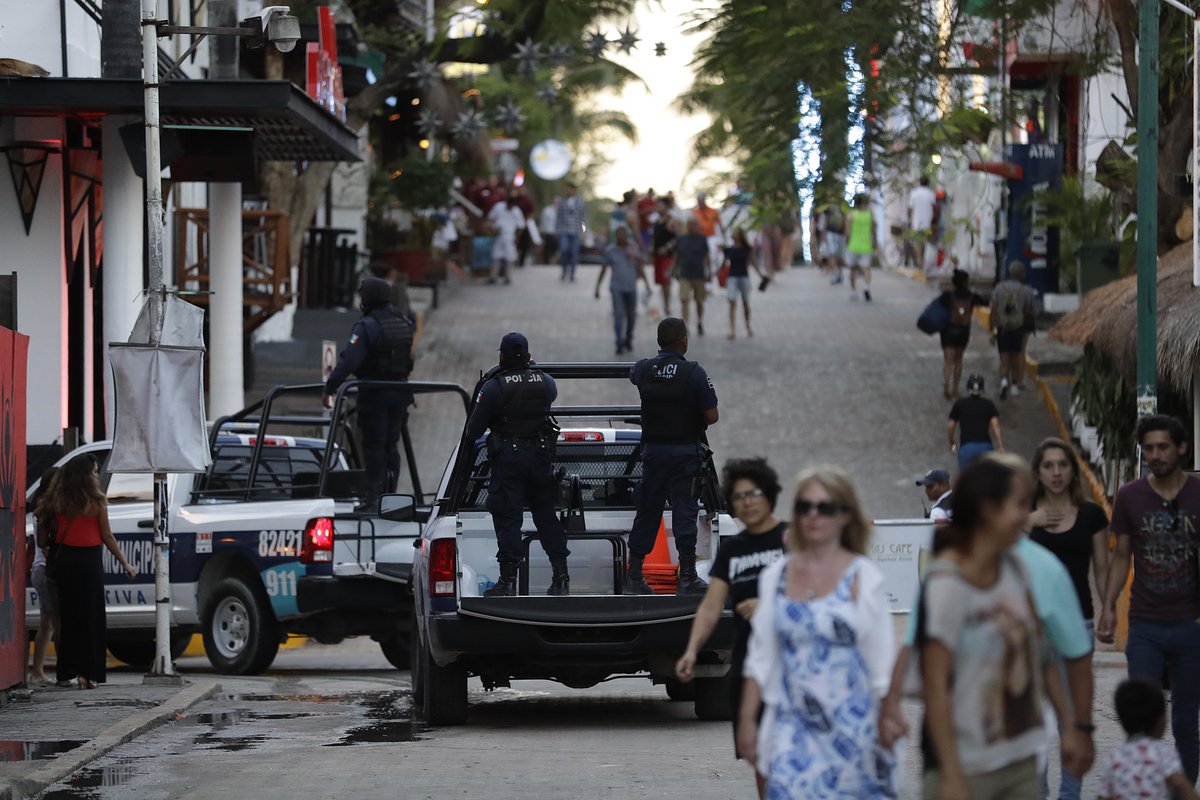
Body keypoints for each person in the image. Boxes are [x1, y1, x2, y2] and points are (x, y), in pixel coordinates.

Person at [881, 456, 1099, 799]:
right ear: (987, 510)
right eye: (1020, 505)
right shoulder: (946, 582)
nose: (1028, 516)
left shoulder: (1020, 571)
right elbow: (935, 686)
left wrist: (1071, 728)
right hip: (964, 764)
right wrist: (951, 776)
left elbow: (1041, 656)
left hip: (1021, 760)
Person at [737, 467, 897, 798]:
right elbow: (760, 658)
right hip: (790, 730)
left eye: (825, 507)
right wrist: (748, 720)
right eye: (803, 506)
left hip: (853, 731)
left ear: (846, 515)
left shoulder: (863, 577)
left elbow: (881, 665)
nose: (813, 515)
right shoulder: (776, 577)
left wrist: (889, 716)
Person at [1097, 414, 1200, 784]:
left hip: (1190, 625)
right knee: (1141, 720)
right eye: (1149, 448)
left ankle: (1185, 790)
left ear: (1181, 447)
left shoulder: (1198, 493)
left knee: (1188, 721)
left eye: (1163, 447)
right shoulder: (1130, 496)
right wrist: (1109, 606)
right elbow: (1121, 554)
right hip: (1144, 624)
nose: (1155, 455)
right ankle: (1145, 788)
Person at [675, 458, 786, 798]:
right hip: (750, 667)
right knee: (760, 756)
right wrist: (692, 650)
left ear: (769, 495)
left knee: (793, 751)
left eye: (753, 494)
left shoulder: (791, 539)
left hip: (793, 665)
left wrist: (769, 606)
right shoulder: (733, 550)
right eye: (738, 497)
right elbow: (711, 606)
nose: (747, 502)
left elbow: (817, 594)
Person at [464, 333, 570, 597]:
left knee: (508, 516)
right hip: (540, 455)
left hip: (509, 460)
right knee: (546, 515)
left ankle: (508, 580)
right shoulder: (545, 382)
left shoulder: (493, 387)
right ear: (529, 356)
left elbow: (473, 430)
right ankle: (561, 575)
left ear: (501, 356)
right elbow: (549, 393)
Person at [626, 317, 719, 596]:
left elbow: (633, 374)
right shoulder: (694, 373)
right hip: (684, 454)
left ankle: (634, 575)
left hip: (653, 452)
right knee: (684, 510)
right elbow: (712, 416)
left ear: (658, 342)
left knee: (648, 510)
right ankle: (687, 576)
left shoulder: (643, 369)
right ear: (684, 342)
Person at [323, 277, 415, 506]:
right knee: (391, 446)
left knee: (374, 445)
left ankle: (373, 498)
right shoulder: (403, 321)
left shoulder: (367, 326)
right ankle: (392, 496)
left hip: (375, 393)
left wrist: (330, 387)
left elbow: (350, 361)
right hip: (400, 392)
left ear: (368, 299)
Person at [47, 456, 137, 689]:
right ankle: (88, 674)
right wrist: (125, 563)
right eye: (95, 472)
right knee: (92, 617)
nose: (97, 476)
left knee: (69, 617)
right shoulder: (97, 501)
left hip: (65, 559)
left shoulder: (59, 499)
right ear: (87, 476)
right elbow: (107, 536)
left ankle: (65, 671)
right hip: (88, 561)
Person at [1029, 438, 1109, 640]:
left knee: (1078, 673)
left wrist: (1109, 608)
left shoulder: (1092, 514)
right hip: (1032, 621)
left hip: (1078, 616)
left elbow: (1101, 569)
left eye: (1063, 465)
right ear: (1037, 472)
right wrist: (1027, 522)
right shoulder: (1021, 510)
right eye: (1048, 466)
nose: (1057, 473)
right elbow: (1000, 556)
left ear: (1073, 470)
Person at [1099, 678, 1200, 800]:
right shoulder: (1164, 754)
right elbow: (1181, 785)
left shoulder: (1113, 757)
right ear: (1161, 721)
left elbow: (1103, 796)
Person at [595, 227, 652, 355]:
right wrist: (597, 288)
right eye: (619, 235)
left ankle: (628, 338)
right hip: (617, 288)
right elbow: (603, 269)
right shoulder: (610, 251)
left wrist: (647, 284)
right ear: (616, 236)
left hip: (631, 287)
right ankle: (619, 342)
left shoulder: (633, 249)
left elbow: (640, 267)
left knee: (631, 316)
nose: (622, 237)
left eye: (624, 235)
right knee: (618, 315)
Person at [28, 467, 60, 684]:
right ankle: (42, 671)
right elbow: (45, 546)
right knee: (54, 622)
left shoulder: (41, 509)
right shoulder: (47, 511)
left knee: (47, 623)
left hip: (39, 570)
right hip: (44, 569)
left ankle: (37, 671)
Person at [938, 269, 988, 398]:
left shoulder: (947, 295)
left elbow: (938, 308)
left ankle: (946, 385)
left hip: (948, 331)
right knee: (958, 360)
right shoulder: (971, 296)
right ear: (966, 281)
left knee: (948, 361)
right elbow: (985, 302)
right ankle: (955, 388)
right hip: (963, 331)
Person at [990, 261, 1036, 399]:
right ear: (1022, 274)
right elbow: (1030, 312)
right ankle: (1015, 385)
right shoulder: (1027, 291)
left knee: (1004, 358)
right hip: (1018, 328)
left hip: (1002, 328)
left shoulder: (999, 288)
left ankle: (1004, 381)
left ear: (1009, 273)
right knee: (1016, 357)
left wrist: (992, 326)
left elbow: (993, 310)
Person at [948, 373, 1004, 467]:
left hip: (966, 447)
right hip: (985, 446)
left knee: (967, 479)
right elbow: (996, 426)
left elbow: (951, 426)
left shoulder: (960, 404)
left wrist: (952, 442)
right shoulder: (988, 404)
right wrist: (1000, 445)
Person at [673, 217, 711, 336]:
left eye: (694, 224)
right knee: (684, 299)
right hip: (685, 273)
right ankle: (686, 324)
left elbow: (706, 256)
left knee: (699, 300)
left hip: (699, 274)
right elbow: (677, 255)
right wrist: (674, 270)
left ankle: (699, 322)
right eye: (689, 224)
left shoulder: (702, 239)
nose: (691, 227)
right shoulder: (681, 239)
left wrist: (708, 271)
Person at [722, 228, 762, 340]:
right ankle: (731, 328)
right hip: (732, 277)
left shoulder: (746, 249)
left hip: (744, 277)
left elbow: (753, 262)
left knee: (745, 303)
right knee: (732, 302)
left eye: (736, 233)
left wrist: (760, 275)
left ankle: (748, 325)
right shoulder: (729, 249)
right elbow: (724, 264)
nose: (734, 235)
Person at [487, 195, 525, 285]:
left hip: (510, 236)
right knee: (496, 256)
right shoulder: (498, 207)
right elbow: (490, 218)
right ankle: (493, 277)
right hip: (499, 234)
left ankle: (507, 277)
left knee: (509, 257)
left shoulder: (516, 211)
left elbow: (521, 226)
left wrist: (517, 238)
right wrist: (492, 229)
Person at [845, 193, 875, 302]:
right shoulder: (870, 214)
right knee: (867, 269)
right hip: (866, 245)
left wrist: (847, 242)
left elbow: (847, 232)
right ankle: (866, 287)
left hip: (853, 245)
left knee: (853, 269)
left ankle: (853, 292)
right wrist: (874, 242)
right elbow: (873, 229)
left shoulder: (851, 215)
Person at [556, 183, 586, 282]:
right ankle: (564, 270)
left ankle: (572, 273)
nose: (567, 192)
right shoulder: (562, 201)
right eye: (566, 190)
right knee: (564, 250)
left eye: (569, 190)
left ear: (573, 190)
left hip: (575, 231)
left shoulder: (580, 202)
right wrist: (557, 231)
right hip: (564, 231)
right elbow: (558, 217)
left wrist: (584, 231)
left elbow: (583, 218)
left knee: (574, 252)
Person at [652, 208, 678, 316]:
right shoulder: (657, 221)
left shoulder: (671, 221)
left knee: (666, 281)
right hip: (657, 256)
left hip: (667, 256)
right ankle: (664, 305)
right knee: (662, 283)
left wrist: (667, 247)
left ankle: (667, 306)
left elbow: (677, 237)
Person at [908, 176, 937, 271]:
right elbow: (934, 207)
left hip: (916, 222)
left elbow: (910, 208)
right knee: (924, 243)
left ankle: (919, 261)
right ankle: (922, 262)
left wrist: (909, 220)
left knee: (917, 243)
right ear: (928, 183)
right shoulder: (930, 194)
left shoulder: (914, 193)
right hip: (927, 222)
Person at [693, 192, 726, 273]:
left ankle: (711, 272)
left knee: (711, 255)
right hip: (699, 238)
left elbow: (720, 224)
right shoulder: (694, 212)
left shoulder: (712, 211)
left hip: (711, 237)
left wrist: (723, 238)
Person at [511, 186, 536, 268]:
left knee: (524, 244)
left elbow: (531, 212)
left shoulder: (528, 201)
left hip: (524, 224)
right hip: (514, 225)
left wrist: (526, 222)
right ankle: (514, 259)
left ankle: (521, 261)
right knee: (515, 243)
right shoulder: (515, 200)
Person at [540, 196, 560, 265]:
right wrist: (543, 231)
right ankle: (547, 261)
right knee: (548, 247)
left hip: (557, 232)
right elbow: (543, 221)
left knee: (556, 247)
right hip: (548, 231)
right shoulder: (547, 210)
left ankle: (553, 259)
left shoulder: (560, 211)